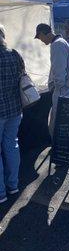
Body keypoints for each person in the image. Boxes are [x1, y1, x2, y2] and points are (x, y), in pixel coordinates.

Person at [34, 23, 69, 136]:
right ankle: (64, 143)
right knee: (67, 119)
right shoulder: (63, 42)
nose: (41, 41)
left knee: (58, 119)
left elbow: (59, 71)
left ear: (44, 33)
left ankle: (57, 145)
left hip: (62, 89)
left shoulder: (57, 45)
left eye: (39, 37)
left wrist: (57, 87)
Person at [0, 25, 24, 203]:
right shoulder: (14, 54)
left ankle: (1, 193)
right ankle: (13, 185)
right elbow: (23, 76)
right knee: (11, 146)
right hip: (15, 109)